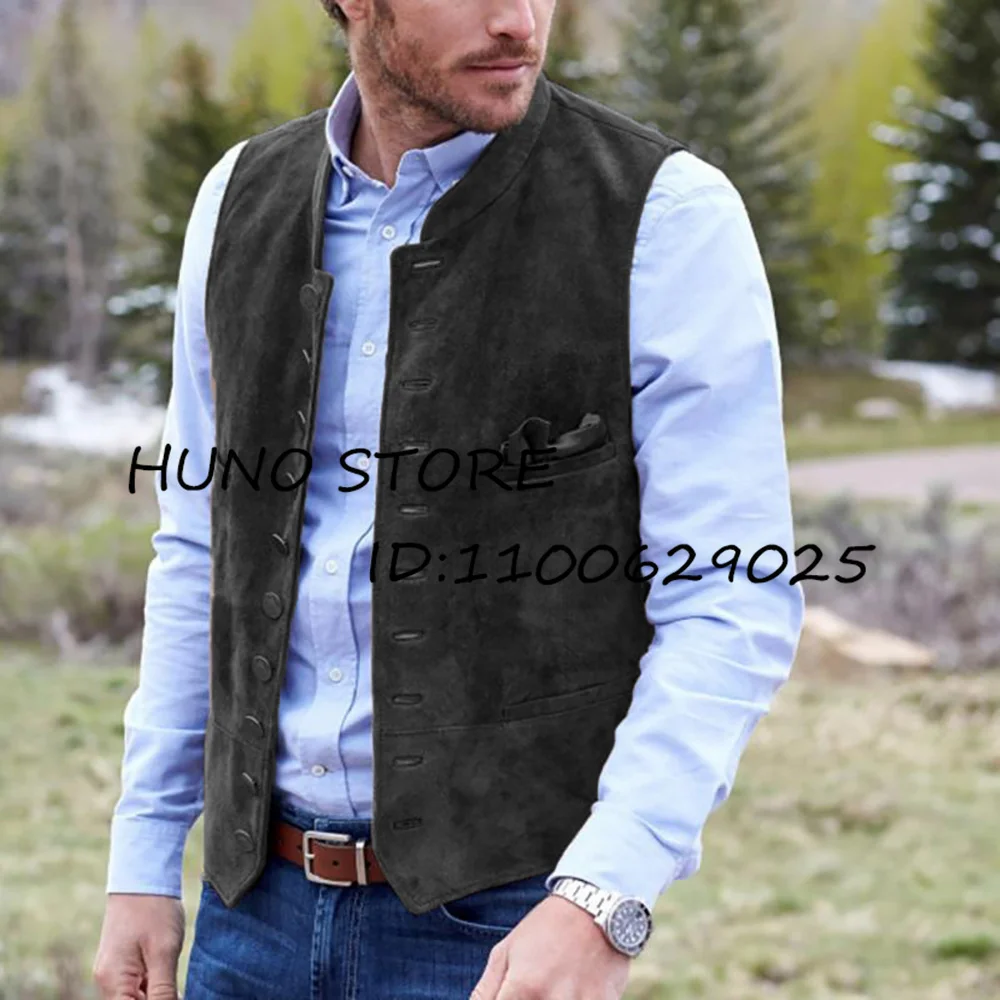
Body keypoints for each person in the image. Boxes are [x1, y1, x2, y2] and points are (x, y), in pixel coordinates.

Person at [92, 0, 805, 997]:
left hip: (504, 929)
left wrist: (604, 896)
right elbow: (201, 548)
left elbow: (730, 594)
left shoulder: (665, 214)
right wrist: (142, 854)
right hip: (248, 916)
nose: (518, 20)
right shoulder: (237, 199)